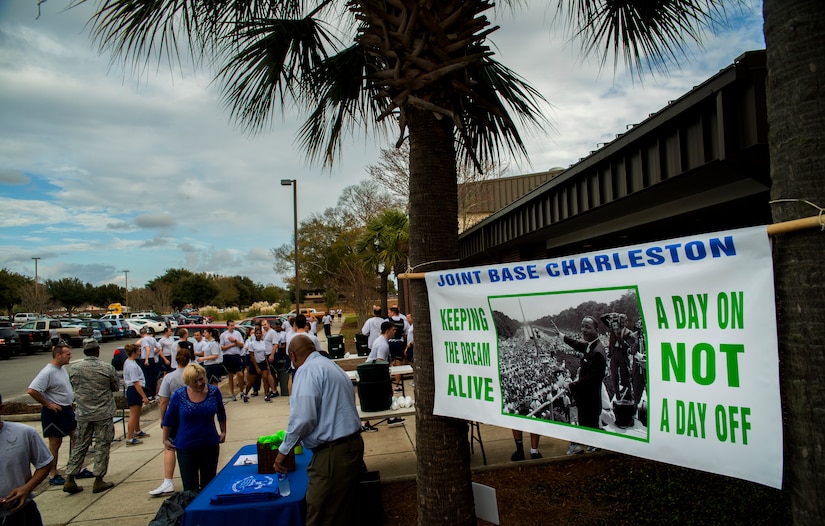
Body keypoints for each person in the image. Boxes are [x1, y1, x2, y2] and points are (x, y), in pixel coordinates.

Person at [274, 335, 363, 526]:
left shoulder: (307, 371)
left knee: (322, 514)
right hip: (349, 445)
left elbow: (303, 418)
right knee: (341, 511)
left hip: (333, 453)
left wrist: (284, 449)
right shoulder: (330, 366)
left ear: (292, 355)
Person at [62, 339, 119, 495]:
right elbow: (116, 386)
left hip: (83, 413)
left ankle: (70, 477)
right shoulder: (106, 368)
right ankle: (98, 479)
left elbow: (73, 386)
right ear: (97, 351)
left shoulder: (74, 369)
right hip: (103, 413)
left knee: (80, 444)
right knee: (102, 445)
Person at [162, 363, 227, 492]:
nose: (199, 384)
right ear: (188, 382)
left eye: (201, 379)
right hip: (186, 447)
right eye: (194, 381)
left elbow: (221, 412)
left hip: (209, 444)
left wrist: (224, 431)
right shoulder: (179, 395)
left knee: (208, 485)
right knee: (190, 488)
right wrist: (165, 439)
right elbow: (169, 418)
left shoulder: (214, 392)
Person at [0, 392, 54, 526]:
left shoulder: (24, 433)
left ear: (1, 408)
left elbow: (45, 463)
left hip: (21, 513)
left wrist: (27, 488)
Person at [26, 343, 76, 485]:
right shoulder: (47, 372)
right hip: (54, 413)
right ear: (58, 355)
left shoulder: (62, 369)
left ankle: (74, 468)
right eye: (68, 354)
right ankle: (53, 474)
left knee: (77, 438)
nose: (70, 356)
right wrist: (48, 404)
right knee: (55, 443)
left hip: (67, 410)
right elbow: (32, 390)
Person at [560, 315, 606, 454]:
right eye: (582, 326)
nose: (583, 330)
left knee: (591, 435)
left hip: (590, 401)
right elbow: (577, 344)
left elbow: (590, 381)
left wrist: (570, 385)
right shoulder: (591, 345)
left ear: (596, 329)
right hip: (587, 400)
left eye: (587, 327)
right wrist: (562, 336)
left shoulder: (597, 352)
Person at [149, 349, 193, 496]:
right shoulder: (194, 374)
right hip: (192, 413)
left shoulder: (169, 377)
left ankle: (168, 481)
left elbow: (163, 401)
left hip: (175, 415)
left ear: (176, 360)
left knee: (170, 446)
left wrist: (163, 419)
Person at [362, 321, 404, 429]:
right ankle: (365, 423)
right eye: (393, 330)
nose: (395, 331)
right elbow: (380, 362)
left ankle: (391, 418)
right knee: (377, 397)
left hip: (371, 371)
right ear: (387, 331)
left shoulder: (381, 340)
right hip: (372, 373)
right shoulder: (383, 344)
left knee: (383, 396)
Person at [123, 343, 150, 445]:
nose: (140, 353)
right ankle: (130, 438)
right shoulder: (132, 366)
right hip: (134, 390)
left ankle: (137, 430)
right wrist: (144, 396)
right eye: (138, 351)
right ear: (133, 352)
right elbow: (136, 382)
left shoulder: (130, 362)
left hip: (135, 389)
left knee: (137, 413)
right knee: (133, 415)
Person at [243, 326, 271, 403]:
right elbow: (251, 356)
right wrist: (257, 367)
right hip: (255, 363)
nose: (258, 335)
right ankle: (245, 394)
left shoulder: (263, 343)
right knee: (251, 382)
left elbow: (264, 354)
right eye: (257, 333)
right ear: (255, 334)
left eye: (260, 333)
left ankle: (266, 395)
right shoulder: (252, 344)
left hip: (262, 362)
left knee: (265, 379)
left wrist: (267, 364)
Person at [219, 320, 245, 401]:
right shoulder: (223, 335)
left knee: (240, 374)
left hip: (236, 355)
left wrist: (235, 341)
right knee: (230, 375)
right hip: (228, 356)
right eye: (231, 325)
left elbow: (242, 344)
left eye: (233, 325)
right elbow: (222, 347)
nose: (232, 327)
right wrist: (232, 345)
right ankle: (232, 393)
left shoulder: (237, 334)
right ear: (227, 326)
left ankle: (241, 391)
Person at [386, 306, 410, 392]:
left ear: (392, 312)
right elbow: (406, 333)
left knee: (389, 364)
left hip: (390, 343)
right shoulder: (403, 321)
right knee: (398, 364)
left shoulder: (387, 321)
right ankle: (397, 385)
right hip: (399, 342)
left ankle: (388, 385)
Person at [263, 319, 285, 399]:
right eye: (263, 325)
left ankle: (274, 390)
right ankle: (273, 389)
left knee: (271, 373)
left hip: (271, 354)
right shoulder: (265, 333)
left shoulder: (272, 332)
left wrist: (272, 355)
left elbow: (275, 344)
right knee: (270, 373)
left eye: (265, 324)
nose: (264, 326)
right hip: (266, 355)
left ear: (268, 324)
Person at [139, 327, 161, 398]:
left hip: (146, 358)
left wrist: (146, 359)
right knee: (153, 377)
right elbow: (158, 348)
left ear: (141, 334)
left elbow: (147, 348)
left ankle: (148, 394)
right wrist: (153, 353)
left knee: (146, 376)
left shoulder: (144, 339)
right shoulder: (152, 338)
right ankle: (154, 393)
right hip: (152, 359)